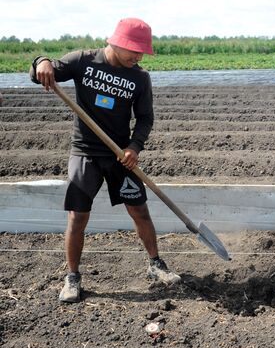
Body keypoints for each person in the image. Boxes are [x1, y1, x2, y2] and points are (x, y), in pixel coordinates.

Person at [30, 18, 181, 303]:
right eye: (134, 50)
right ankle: (72, 278)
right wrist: (42, 61)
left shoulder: (139, 77)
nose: (137, 56)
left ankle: (155, 264)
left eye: (141, 52)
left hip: (120, 156)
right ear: (116, 42)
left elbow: (146, 118)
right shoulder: (82, 61)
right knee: (77, 217)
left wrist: (134, 147)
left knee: (140, 212)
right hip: (85, 153)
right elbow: (42, 69)